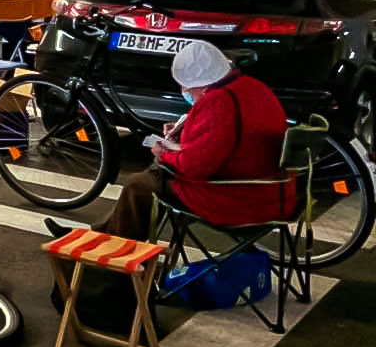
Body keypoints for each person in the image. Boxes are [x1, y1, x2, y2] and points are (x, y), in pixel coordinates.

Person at [78, 43, 293, 241]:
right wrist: (188, 129)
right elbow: (227, 137)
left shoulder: (219, 102)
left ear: (201, 85)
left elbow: (194, 167)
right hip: (274, 189)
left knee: (139, 186)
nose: (186, 93)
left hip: (241, 195)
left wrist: (164, 153)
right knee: (150, 178)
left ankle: (110, 252)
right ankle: (102, 236)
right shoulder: (250, 86)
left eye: (187, 89)